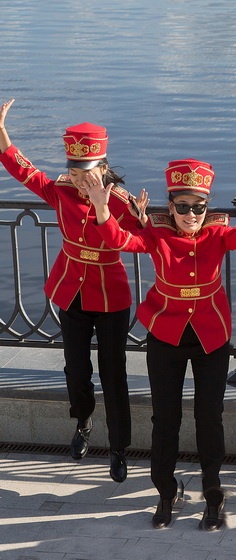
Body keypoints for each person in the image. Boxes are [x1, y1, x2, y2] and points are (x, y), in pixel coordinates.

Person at [85, 159, 236, 531]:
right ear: (170, 207)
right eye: (183, 206)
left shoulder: (217, 232)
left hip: (210, 336)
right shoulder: (156, 233)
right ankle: (165, 493)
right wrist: (102, 208)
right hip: (166, 333)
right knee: (165, 419)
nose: (191, 214)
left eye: (198, 206)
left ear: (207, 206)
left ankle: (213, 495)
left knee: (209, 418)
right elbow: (121, 240)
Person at [0, 99, 148, 483]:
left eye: (88, 172)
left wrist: (136, 217)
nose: (82, 179)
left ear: (101, 166)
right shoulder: (61, 191)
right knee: (76, 369)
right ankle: (83, 421)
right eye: (75, 171)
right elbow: (24, 171)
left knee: (113, 373)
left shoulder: (119, 202)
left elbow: (147, 239)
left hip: (110, 295)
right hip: (71, 291)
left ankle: (118, 448)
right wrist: (1, 132)